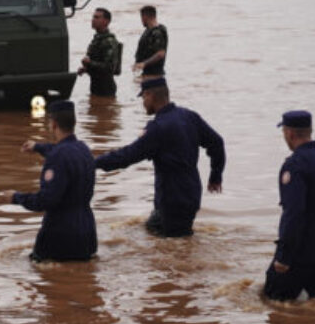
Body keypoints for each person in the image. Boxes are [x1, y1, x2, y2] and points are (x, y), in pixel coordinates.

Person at [94, 77, 225, 237]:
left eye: (143, 98)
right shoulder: (189, 116)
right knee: (154, 232)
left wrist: (94, 162)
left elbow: (127, 156)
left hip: (172, 200)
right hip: (190, 193)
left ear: (150, 95)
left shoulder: (157, 128)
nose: (143, 103)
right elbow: (217, 143)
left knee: (176, 251)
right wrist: (215, 176)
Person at [264, 110, 315, 301]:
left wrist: (284, 257)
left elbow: (293, 212)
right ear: (309, 131)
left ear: (289, 133)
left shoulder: (295, 165)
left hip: (299, 254)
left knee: (273, 306)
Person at [12, 100, 98, 262]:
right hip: (87, 235)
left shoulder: (56, 157)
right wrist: (38, 147)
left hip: (59, 236)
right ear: (74, 122)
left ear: (53, 124)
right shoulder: (84, 150)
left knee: (40, 279)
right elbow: (64, 151)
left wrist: (15, 197)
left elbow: (46, 200)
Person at [77, 8, 120, 97]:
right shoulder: (97, 39)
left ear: (106, 21)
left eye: (97, 17)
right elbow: (98, 62)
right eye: (93, 17)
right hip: (95, 86)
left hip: (106, 89)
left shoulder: (109, 41)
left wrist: (90, 63)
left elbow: (109, 68)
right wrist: (85, 69)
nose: (93, 20)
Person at [132, 5, 168, 77]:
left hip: (155, 74)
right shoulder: (149, 30)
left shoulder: (157, 32)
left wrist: (143, 64)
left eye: (141, 18)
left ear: (144, 17)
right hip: (147, 73)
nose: (141, 20)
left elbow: (160, 53)